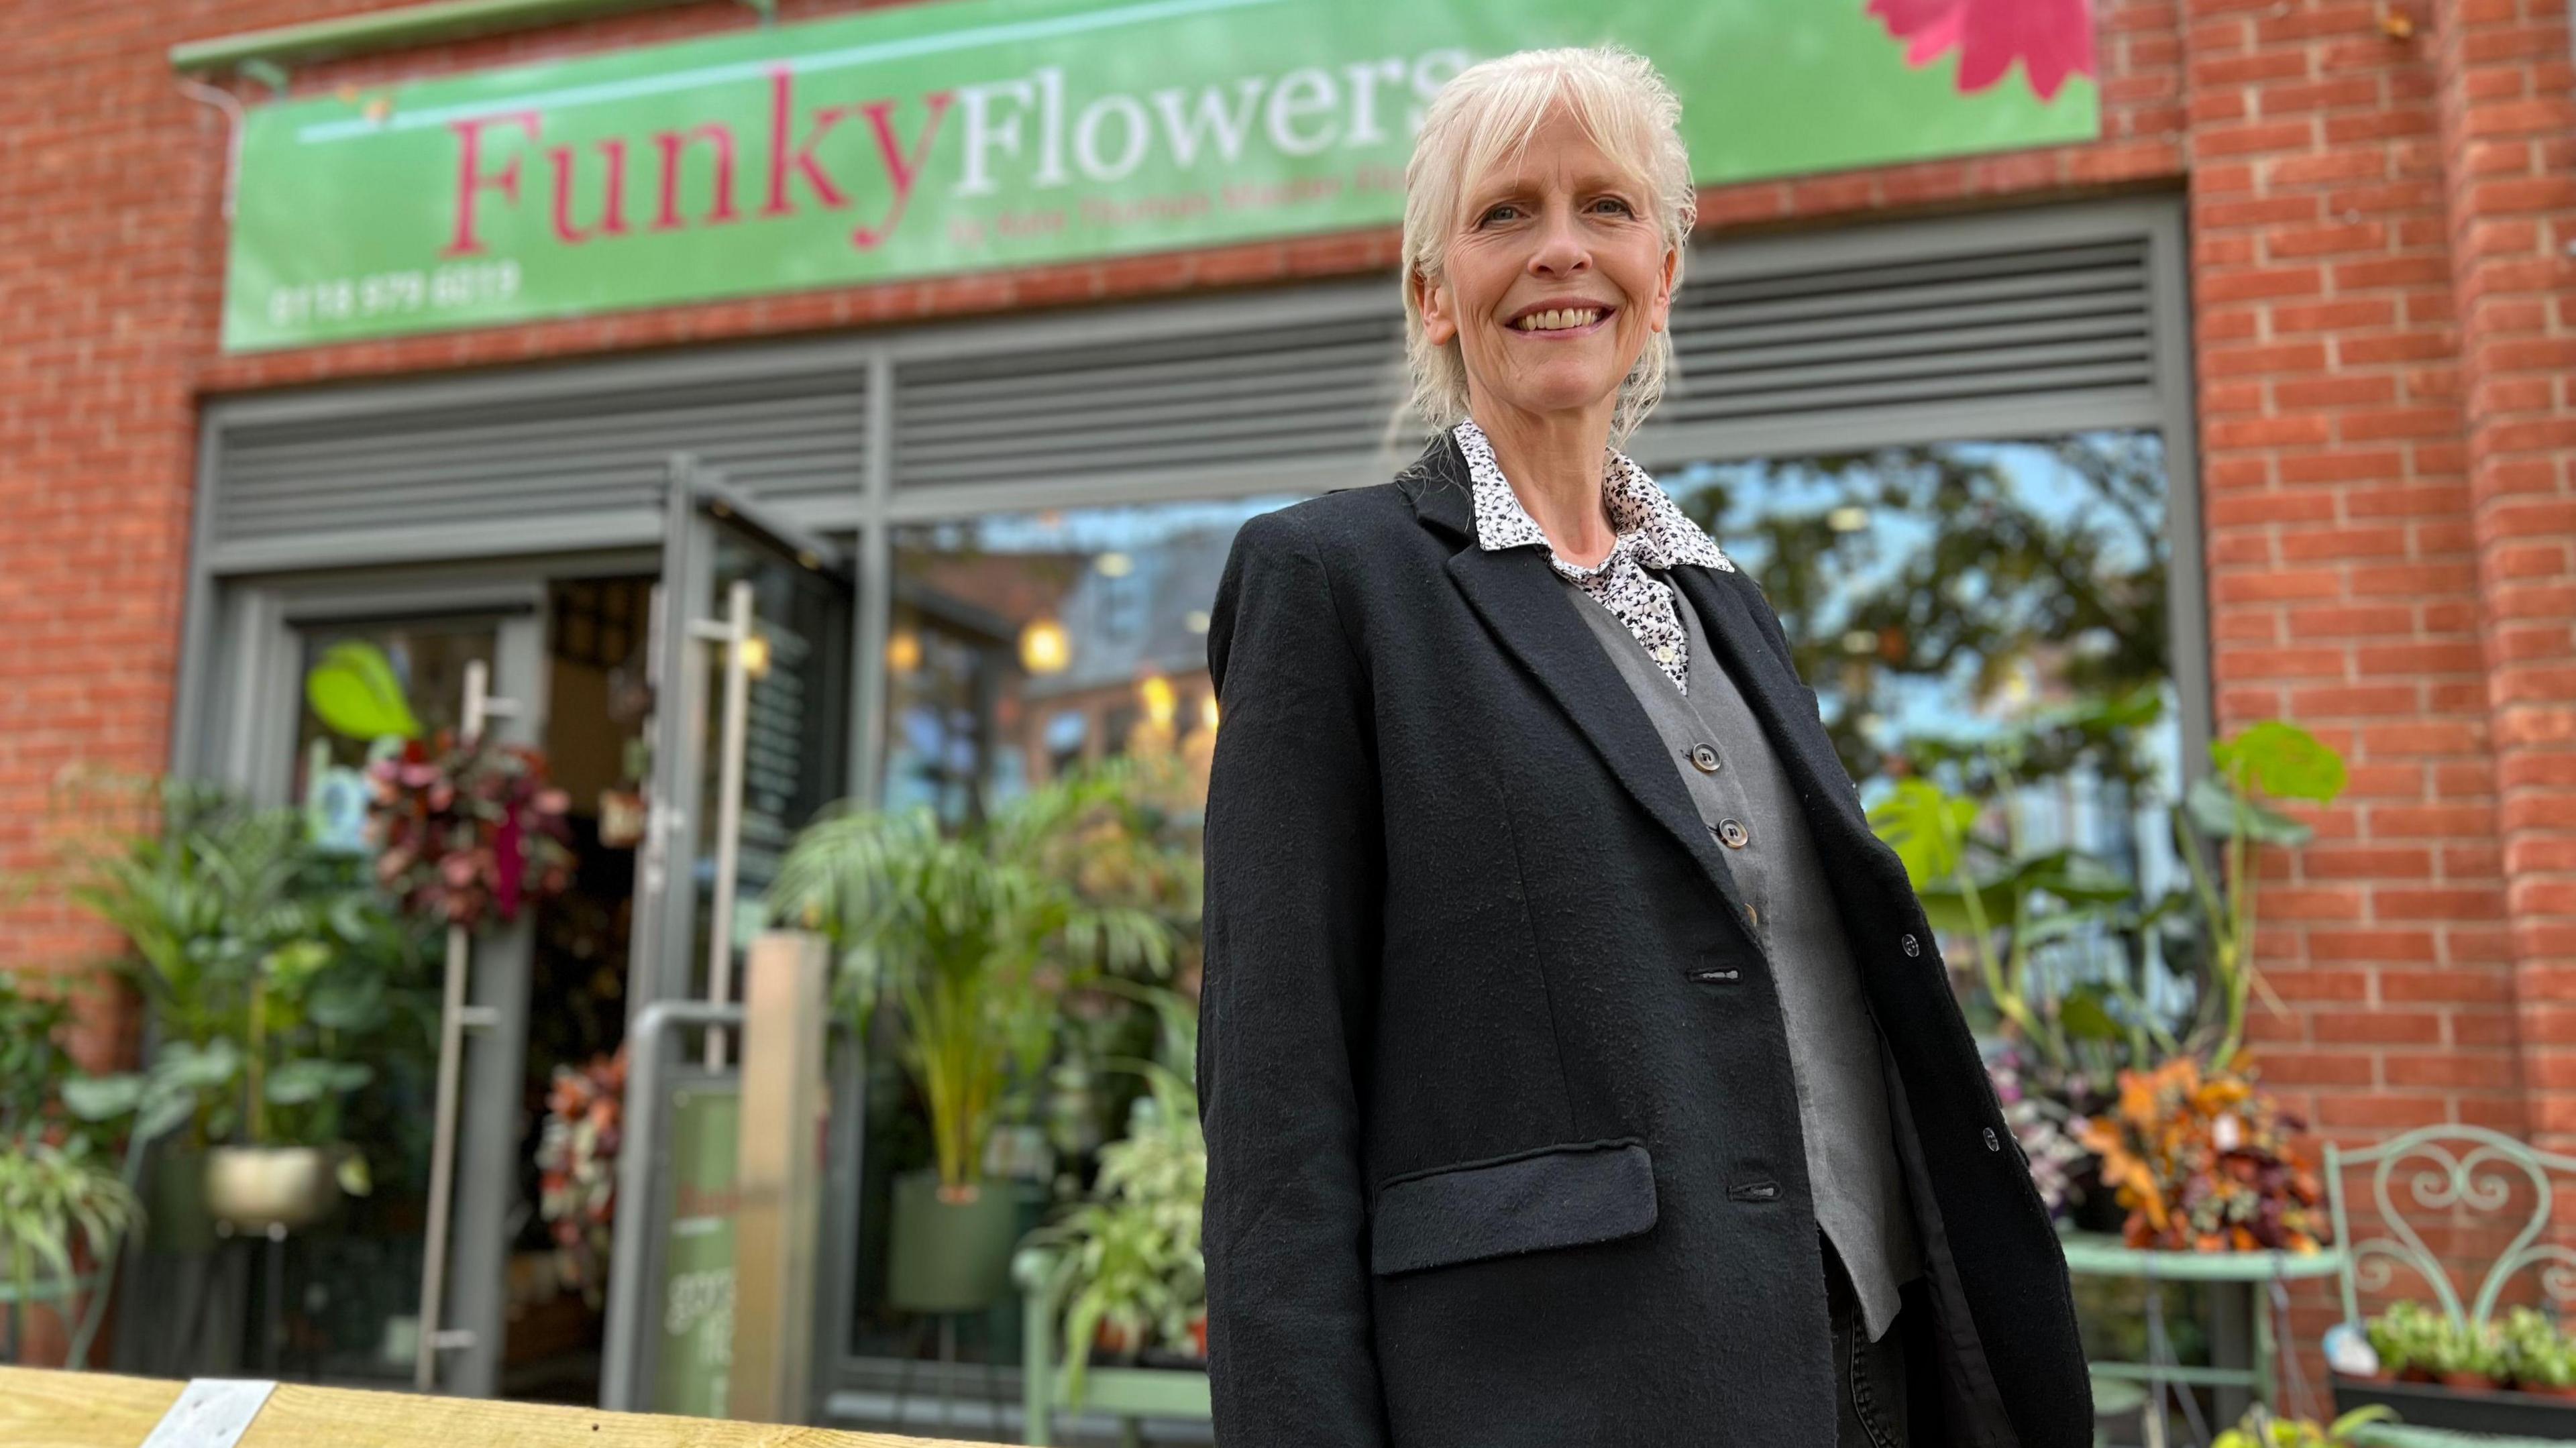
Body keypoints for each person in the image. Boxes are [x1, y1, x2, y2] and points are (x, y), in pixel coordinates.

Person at [1195, 44, 2090, 1448]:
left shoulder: (1721, 599)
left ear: (1663, 269)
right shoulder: (1334, 581)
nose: (1563, 250)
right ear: (1434, 291)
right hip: (1560, 1391)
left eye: (1607, 208)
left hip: (1875, 1361)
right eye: (1505, 215)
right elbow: (1275, 1106)